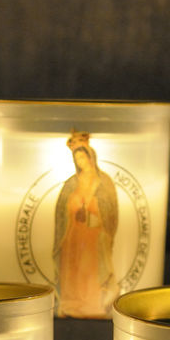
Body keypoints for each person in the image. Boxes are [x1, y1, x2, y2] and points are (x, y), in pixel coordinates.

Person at [53, 130, 118, 318]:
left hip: (93, 234)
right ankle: (71, 304)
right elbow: (60, 209)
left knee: (88, 268)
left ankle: (92, 305)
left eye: (83, 157)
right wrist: (71, 210)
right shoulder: (71, 182)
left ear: (91, 158)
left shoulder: (103, 181)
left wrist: (92, 211)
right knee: (72, 268)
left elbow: (109, 209)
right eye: (77, 159)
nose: (81, 162)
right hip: (72, 234)